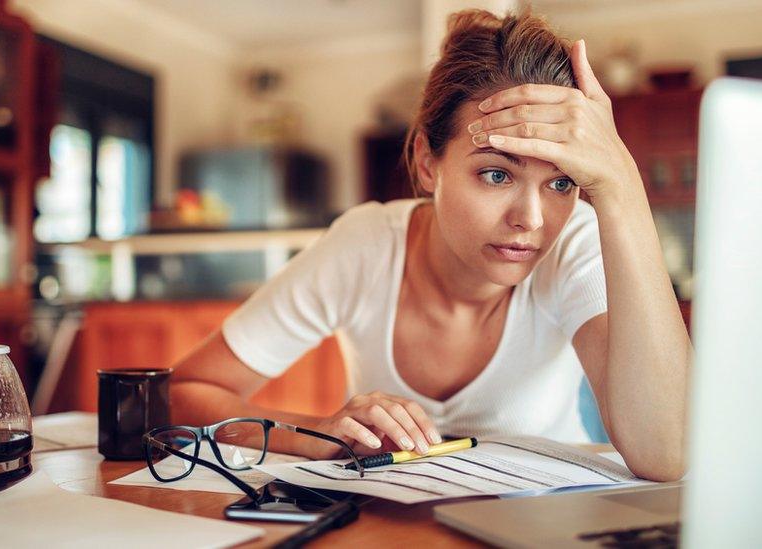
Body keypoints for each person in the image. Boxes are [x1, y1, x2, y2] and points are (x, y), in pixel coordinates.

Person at [170, 9, 690, 482]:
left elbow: (669, 455)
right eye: (495, 174)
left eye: (561, 183)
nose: (531, 220)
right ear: (426, 162)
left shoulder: (573, 242)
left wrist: (620, 182)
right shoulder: (366, 246)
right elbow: (179, 393)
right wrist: (320, 432)